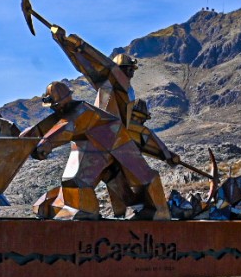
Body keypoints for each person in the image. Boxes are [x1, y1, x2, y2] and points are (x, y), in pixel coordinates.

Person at [20, 82, 168, 220]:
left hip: (116, 142)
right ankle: (85, 208)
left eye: (55, 105)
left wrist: (46, 144)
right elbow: (46, 126)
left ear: (65, 100)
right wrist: (26, 138)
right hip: (97, 147)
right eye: (53, 106)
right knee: (108, 178)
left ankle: (157, 210)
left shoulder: (81, 110)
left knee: (140, 176)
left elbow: (67, 127)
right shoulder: (65, 112)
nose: (54, 108)